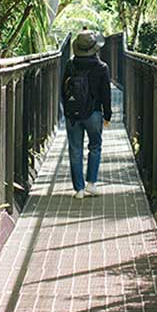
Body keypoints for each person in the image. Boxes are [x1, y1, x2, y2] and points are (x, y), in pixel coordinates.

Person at [61, 31, 112, 200]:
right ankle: (92, 183)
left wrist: (68, 110)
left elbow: (64, 90)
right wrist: (108, 115)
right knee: (95, 146)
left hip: (73, 115)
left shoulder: (70, 65)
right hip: (94, 113)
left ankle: (79, 189)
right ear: (94, 48)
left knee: (75, 150)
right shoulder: (102, 67)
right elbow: (106, 94)